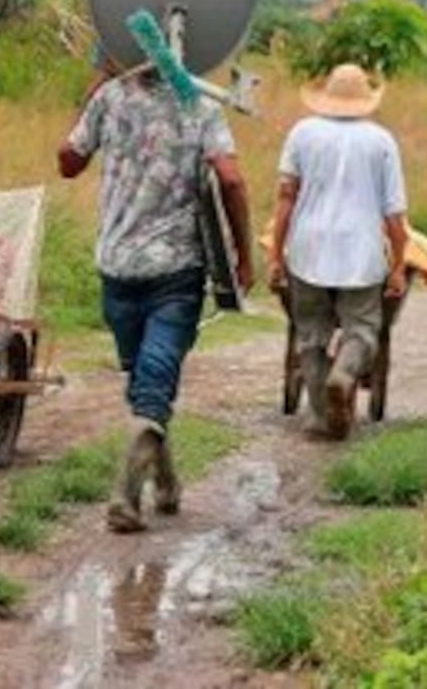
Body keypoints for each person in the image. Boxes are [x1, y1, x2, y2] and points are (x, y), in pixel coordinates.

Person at [58, 60, 254, 534]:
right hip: (176, 270)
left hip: (117, 266)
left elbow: (67, 161)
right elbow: (229, 179)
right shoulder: (202, 104)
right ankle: (126, 497)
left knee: (143, 380)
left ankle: (166, 483)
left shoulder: (110, 97)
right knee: (153, 385)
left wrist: (93, 95)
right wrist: (243, 256)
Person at [266, 64, 409, 440]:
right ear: (365, 101)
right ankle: (345, 372)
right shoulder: (381, 142)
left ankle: (319, 415)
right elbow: (394, 214)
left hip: (308, 247)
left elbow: (285, 199)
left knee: (311, 335)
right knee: (362, 329)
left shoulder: (302, 133)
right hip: (361, 251)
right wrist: (398, 265)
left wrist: (276, 255)